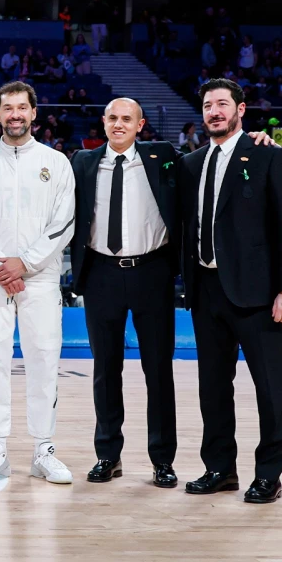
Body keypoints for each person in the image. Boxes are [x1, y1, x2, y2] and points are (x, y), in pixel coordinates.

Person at [181, 78, 282, 504]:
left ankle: (269, 473)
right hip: (206, 289)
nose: (214, 111)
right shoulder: (192, 162)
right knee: (213, 388)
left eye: (222, 104)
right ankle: (219, 468)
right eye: (208, 105)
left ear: (241, 109)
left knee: (271, 389)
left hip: (261, 294)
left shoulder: (270, 155)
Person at [0, 81, 76, 485]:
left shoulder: (56, 162)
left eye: (21, 108)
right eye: (7, 108)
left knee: (44, 359)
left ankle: (44, 450)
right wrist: (1, 267)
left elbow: (63, 222)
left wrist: (24, 263)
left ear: (33, 113)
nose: (14, 115)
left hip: (39, 278)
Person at [69, 98, 179, 487]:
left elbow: (207, 161)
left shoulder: (163, 155)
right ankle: (107, 455)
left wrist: (254, 140)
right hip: (101, 273)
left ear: (140, 124)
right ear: (103, 122)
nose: (118, 124)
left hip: (152, 272)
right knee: (105, 369)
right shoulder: (82, 162)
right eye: (112, 118)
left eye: (126, 119)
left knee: (158, 370)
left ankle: (162, 460)